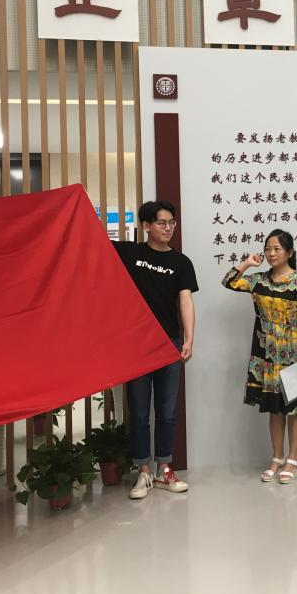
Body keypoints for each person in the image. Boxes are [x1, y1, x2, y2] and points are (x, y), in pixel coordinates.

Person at [113, 200, 197, 499]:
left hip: (169, 343)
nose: (168, 228)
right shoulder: (129, 253)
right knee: (138, 412)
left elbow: (185, 300)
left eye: (172, 222)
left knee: (166, 411)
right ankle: (143, 471)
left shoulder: (181, 262)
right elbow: (90, 243)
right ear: (146, 225)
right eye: (162, 223)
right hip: (136, 345)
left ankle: (164, 468)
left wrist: (189, 338)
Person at [222, 229, 297, 484]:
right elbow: (228, 281)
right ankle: (277, 457)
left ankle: (293, 459)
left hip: (293, 353)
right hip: (266, 354)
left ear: (290, 252)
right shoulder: (259, 280)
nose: (271, 253)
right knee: (275, 408)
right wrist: (247, 263)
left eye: (277, 249)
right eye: (268, 249)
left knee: (294, 408)